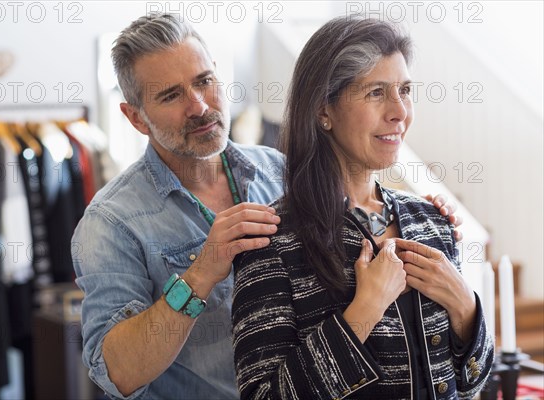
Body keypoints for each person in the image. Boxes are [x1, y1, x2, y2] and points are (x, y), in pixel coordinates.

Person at [72, 13, 465, 400]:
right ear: (135, 117)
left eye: (205, 81)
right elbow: (118, 373)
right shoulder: (110, 222)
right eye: (171, 95)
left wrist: (421, 219)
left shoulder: (284, 170)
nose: (198, 105)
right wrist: (201, 274)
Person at [232, 16, 494, 400]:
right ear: (324, 109)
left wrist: (465, 306)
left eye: (404, 90)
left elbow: (474, 384)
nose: (399, 111)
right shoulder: (272, 243)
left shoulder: (431, 222)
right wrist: (365, 310)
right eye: (376, 92)